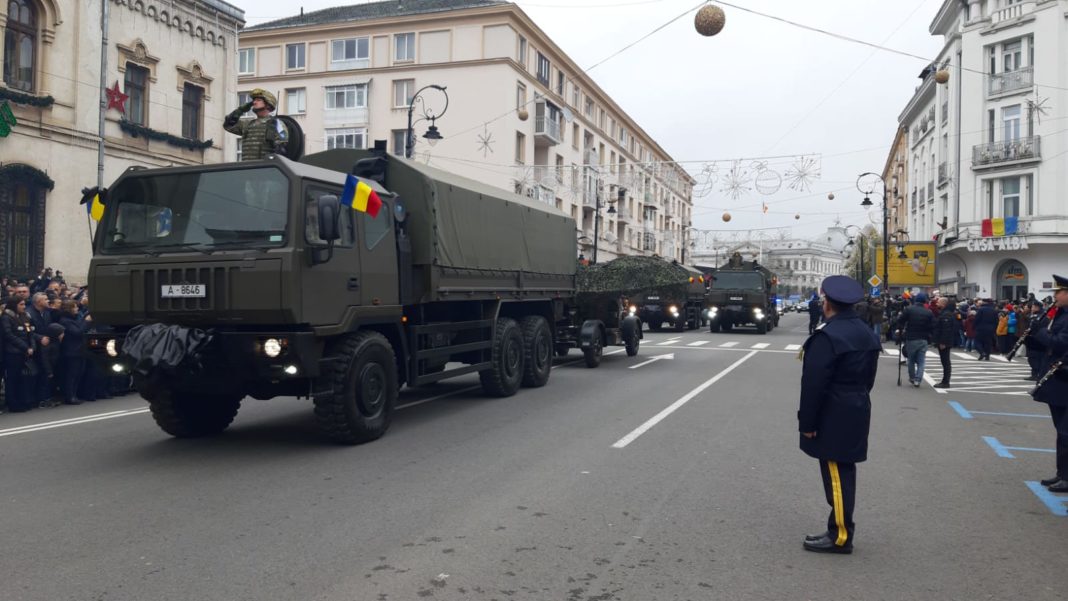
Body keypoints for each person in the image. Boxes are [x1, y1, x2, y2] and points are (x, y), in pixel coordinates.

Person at [797, 275, 881, 554]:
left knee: (836, 473)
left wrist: (807, 423)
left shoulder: (828, 336)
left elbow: (813, 384)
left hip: (833, 411)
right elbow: (870, 378)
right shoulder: (866, 332)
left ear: (827, 304)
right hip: (857, 404)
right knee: (843, 469)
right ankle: (839, 529)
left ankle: (840, 535)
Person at [1030, 275, 1068, 493]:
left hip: (1063, 379)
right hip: (1057, 380)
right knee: (1061, 431)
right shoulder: (1060, 314)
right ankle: (1062, 473)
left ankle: (1066, 476)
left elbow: (1060, 343)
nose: (1055, 296)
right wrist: (1033, 333)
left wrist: (1042, 332)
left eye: (1059, 292)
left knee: (1065, 432)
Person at [224, 88, 288, 161]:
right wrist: (240, 110)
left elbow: (281, 148)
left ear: (268, 104)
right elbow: (228, 124)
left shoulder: (276, 124)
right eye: (254, 100)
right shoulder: (248, 124)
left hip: (265, 167)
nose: (254, 102)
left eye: (258, 100)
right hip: (246, 167)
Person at [1, 297, 36, 412]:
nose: (24, 306)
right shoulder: (6, 317)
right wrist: (26, 347)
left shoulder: (25, 316)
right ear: (14, 305)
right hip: (12, 353)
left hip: (24, 352)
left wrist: (32, 346)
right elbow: (9, 335)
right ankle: (13, 403)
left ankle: (23, 401)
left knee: (23, 379)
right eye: (21, 304)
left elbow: (30, 332)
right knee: (12, 379)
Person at [932, 297, 958, 389]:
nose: (936, 304)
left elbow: (946, 330)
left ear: (943, 304)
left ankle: (945, 381)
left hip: (944, 342)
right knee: (945, 361)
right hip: (945, 341)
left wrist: (943, 342)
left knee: (945, 361)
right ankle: (945, 381)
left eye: (938, 302)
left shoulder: (946, 314)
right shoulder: (945, 313)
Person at [1023, 300, 1046, 380]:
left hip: (1036, 340)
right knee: (1034, 358)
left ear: (1037, 307)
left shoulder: (1040, 316)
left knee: (1035, 358)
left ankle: (1036, 374)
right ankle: (1035, 373)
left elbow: (1037, 328)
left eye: (1033, 307)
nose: (1031, 308)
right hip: (1033, 340)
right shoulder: (1033, 315)